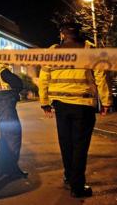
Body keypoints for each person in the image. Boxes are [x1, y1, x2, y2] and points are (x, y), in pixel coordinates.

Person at [39, 22, 112, 198]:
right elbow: (101, 77)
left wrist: (44, 102)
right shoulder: (90, 50)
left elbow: (44, 78)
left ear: (62, 34)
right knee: (80, 145)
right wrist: (107, 101)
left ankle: (69, 176)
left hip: (61, 105)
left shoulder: (52, 52)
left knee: (66, 143)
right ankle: (77, 186)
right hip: (83, 105)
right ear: (79, 33)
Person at [0, 63, 28, 179]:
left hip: (1, 107)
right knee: (13, 137)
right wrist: (14, 93)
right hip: (7, 107)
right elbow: (19, 84)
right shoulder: (3, 71)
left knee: (5, 139)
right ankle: (12, 171)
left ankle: (4, 169)